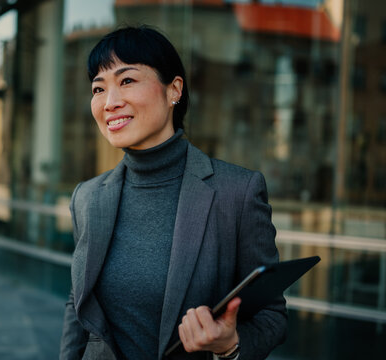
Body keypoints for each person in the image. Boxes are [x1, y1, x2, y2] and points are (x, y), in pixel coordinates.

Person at [60, 25, 287, 360]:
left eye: (127, 81)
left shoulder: (236, 193)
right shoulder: (87, 197)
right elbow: (78, 307)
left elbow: (272, 316)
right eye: (98, 88)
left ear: (174, 90)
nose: (109, 103)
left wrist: (228, 344)